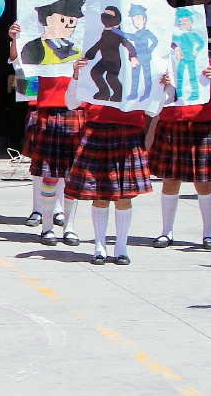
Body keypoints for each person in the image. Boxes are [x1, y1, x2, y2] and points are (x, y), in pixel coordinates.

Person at [65, 56, 160, 265]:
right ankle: (99, 247)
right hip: (97, 132)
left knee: (124, 196)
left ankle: (121, 248)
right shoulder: (94, 67)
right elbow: (71, 103)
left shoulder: (139, 70)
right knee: (99, 194)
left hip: (128, 134)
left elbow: (154, 110)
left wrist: (164, 88)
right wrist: (76, 76)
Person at [8, 23, 82, 244]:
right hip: (48, 111)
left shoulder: (79, 49)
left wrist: (79, 72)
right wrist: (14, 38)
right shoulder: (40, 49)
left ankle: (69, 227)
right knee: (48, 174)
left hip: (74, 112)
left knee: (70, 177)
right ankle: (47, 226)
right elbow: (17, 62)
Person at [149, 52, 211, 249]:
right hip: (171, 122)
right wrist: (163, 83)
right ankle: (166, 232)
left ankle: (208, 233)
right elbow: (150, 91)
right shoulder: (163, 57)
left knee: (203, 182)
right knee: (170, 180)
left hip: (200, 125)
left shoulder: (210, 59)